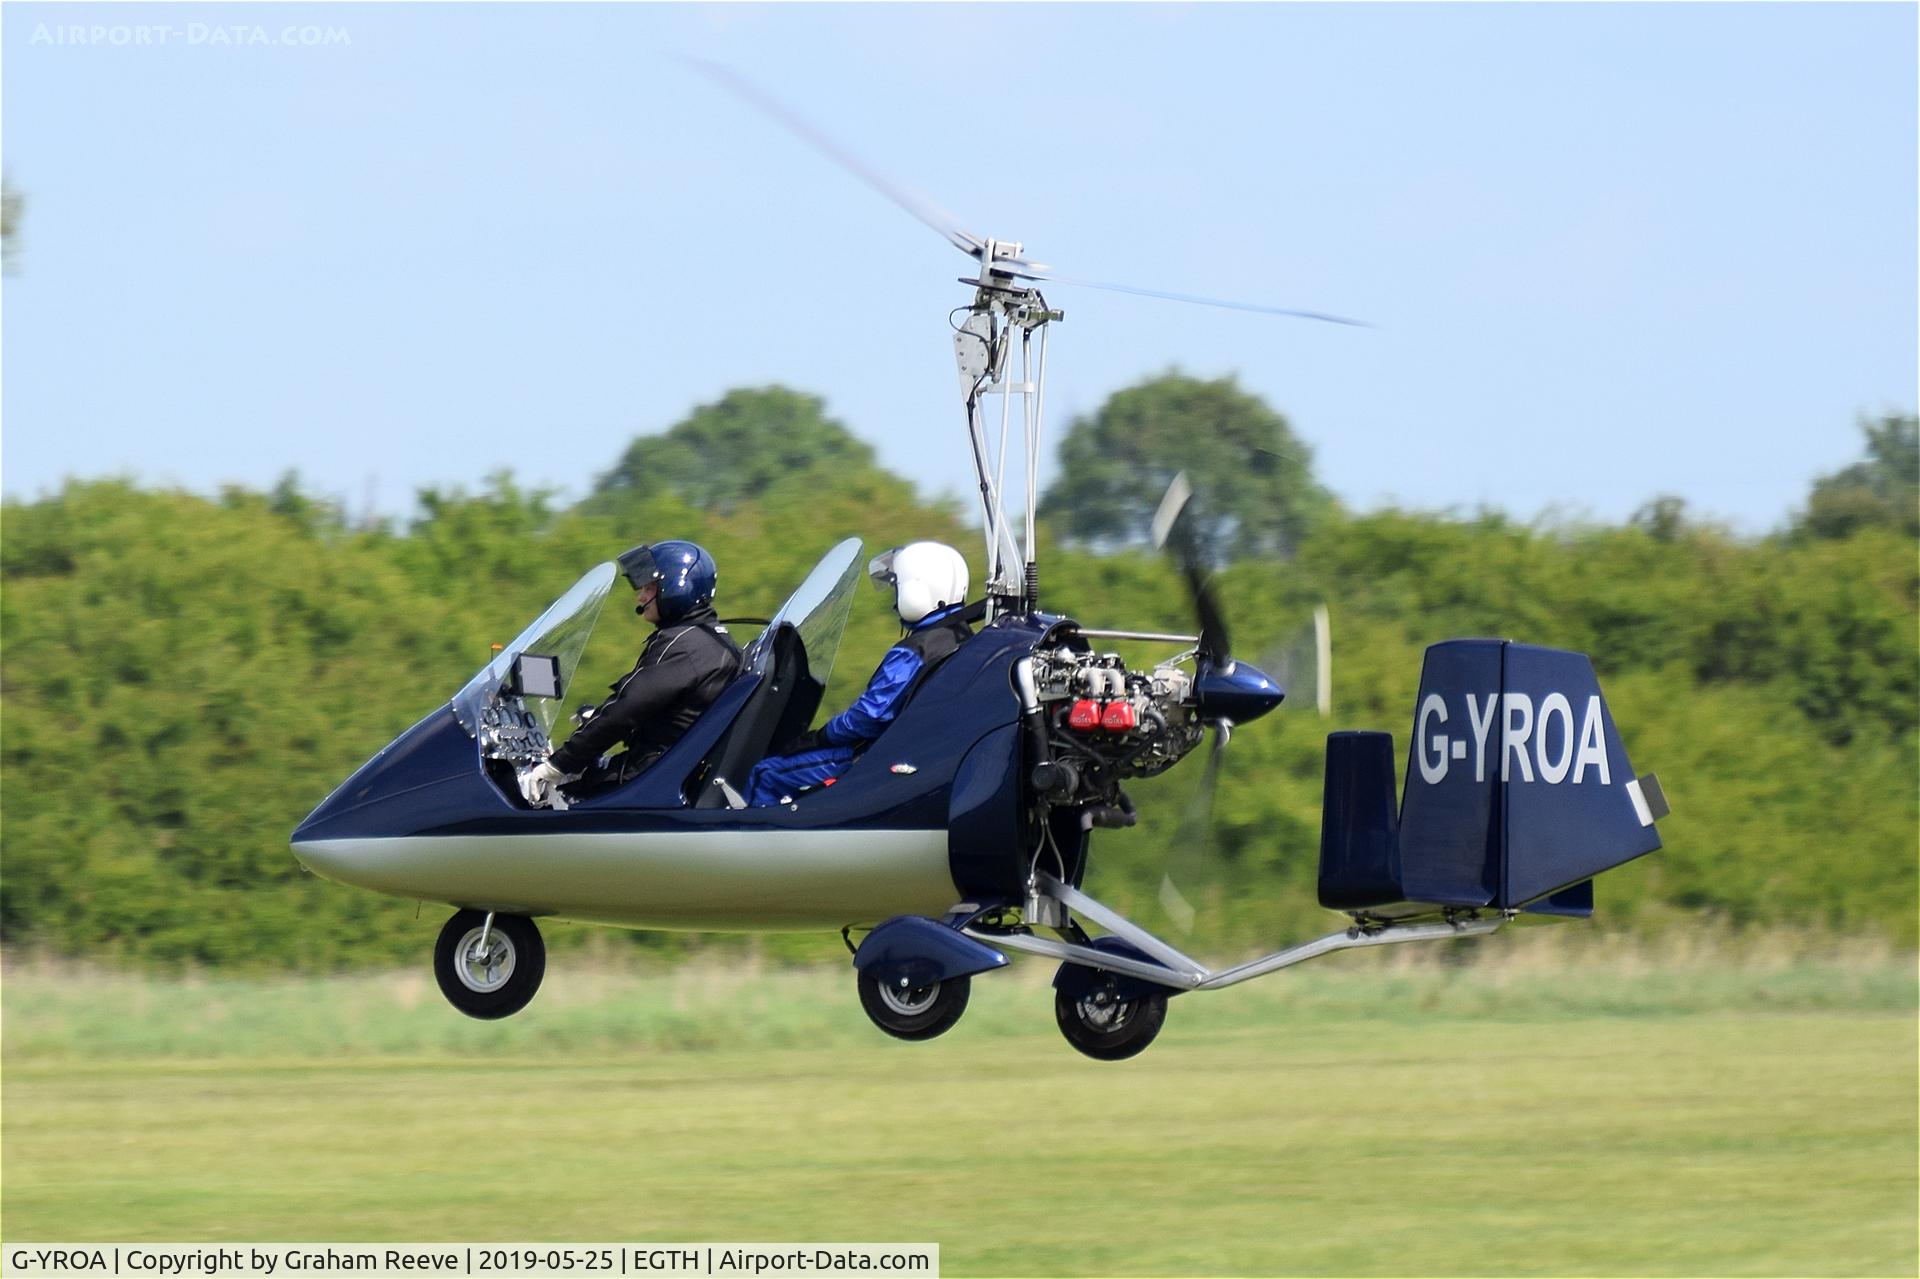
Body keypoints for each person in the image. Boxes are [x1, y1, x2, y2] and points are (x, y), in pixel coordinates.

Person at [747, 541, 972, 807]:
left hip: (876, 757)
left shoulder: (915, 650)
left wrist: (821, 736)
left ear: (917, 589)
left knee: (766, 774)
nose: (894, 604)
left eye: (897, 589)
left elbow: (869, 715)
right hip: (920, 754)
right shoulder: (966, 640)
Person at [519, 540, 742, 807]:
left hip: (650, 778)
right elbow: (672, 716)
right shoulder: (713, 641)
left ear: (677, 586)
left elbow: (626, 709)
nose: (641, 597)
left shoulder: (682, 645)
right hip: (674, 772)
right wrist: (595, 722)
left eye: (649, 587)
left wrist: (558, 765)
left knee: (541, 807)